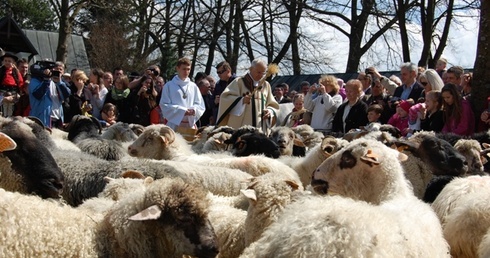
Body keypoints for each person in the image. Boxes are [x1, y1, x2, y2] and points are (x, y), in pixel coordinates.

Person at [216, 59, 279, 131]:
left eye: (263, 73)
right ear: (251, 69)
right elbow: (225, 98)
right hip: (241, 128)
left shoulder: (265, 85)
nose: (261, 75)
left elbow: (273, 105)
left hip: (260, 127)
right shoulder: (239, 82)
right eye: (258, 72)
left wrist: (269, 111)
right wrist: (241, 100)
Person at [160, 57, 205, 131]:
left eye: (188, 69)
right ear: (177, 68)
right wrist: (182, 111)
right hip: (174, 124)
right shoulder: (169, 85)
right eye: (184, 69)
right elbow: (164, 105)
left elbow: (200, 104)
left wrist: (194, 110)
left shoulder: (193, 86)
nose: (186, 72)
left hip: (189, 125)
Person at [28, 63, 68, 128]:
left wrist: (59, 83)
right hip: (41, 119)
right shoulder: (35, 81)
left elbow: (67, 94)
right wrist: (46, 80)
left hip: (57, 119)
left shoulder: (57, 81)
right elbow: (38, 95)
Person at [0, 52, 23, 117]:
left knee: (11, 110)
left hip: (13, 93)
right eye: (5, 61)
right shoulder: (1, 71)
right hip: (3, 93)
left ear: (13, 62)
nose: (7, 62)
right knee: (3, 109)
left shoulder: (16, 72)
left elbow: (20, 82)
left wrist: (18, 93)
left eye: (9, 61)